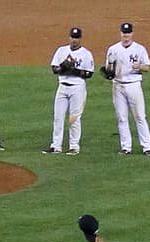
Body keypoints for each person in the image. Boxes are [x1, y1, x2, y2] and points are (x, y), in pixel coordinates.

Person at [102, 22, 150, 156]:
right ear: (120, 34)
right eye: (124, 33)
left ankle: (147, 147)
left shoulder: (139, 49)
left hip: (134, 85)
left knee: (140, 116)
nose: (126, 36)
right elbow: (108, 68)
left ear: (132, 34)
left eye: (128, 33)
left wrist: (139, 66)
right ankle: (126, 148)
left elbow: (147, 67)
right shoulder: (113, 49)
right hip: (117, 85)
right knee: (122, 117)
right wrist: (109, 70)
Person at [42, 27, 94, 155]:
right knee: (58, 117)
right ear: (69, 37)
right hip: (62, 87)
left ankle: (74, 146)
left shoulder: (86, 54)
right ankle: (56, 146)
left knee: (74, 118)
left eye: (76, 38)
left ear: (80, 39)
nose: (74, 40)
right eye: (72, 37)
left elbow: (89, 74)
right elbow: (54, 69)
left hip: (77, 88)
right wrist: (64, 67)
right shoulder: (61, 50)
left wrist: (73, 70)